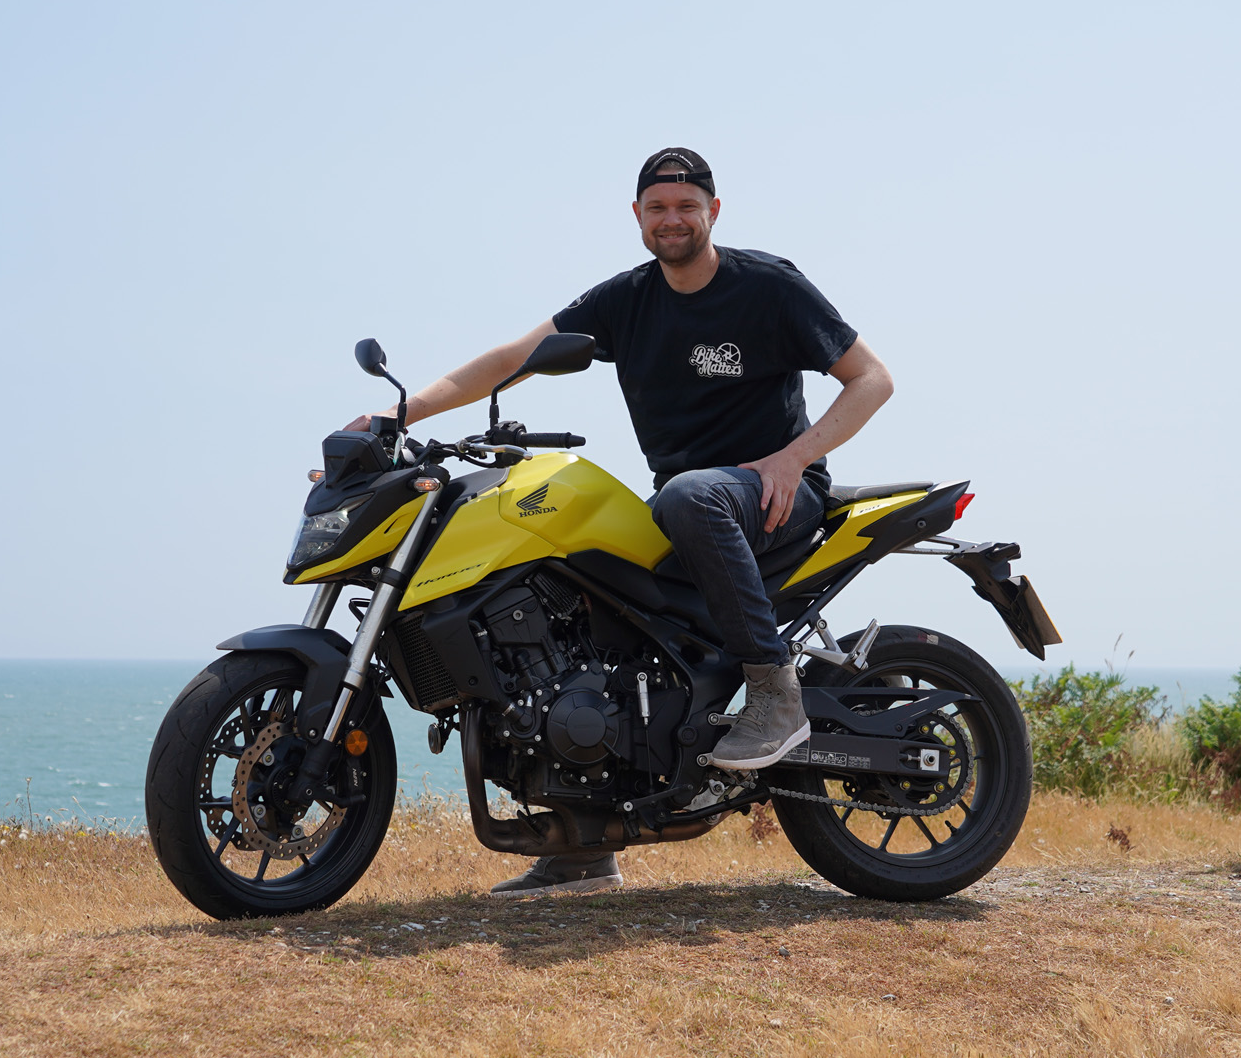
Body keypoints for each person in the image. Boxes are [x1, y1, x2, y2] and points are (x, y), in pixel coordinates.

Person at [349, 148, 894, 896]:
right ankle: (584, 841)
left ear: (714, 212)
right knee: (562, 596)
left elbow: (873, 378)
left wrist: (794, 459)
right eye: (658, 208)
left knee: (688, 494)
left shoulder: (768, 286)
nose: (672, 219)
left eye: (686, 207)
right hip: (689, 504)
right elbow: (514, 356)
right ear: (637, 217)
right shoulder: (626, 300)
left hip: (770, 497)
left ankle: (775, 693)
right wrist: (399, 412)